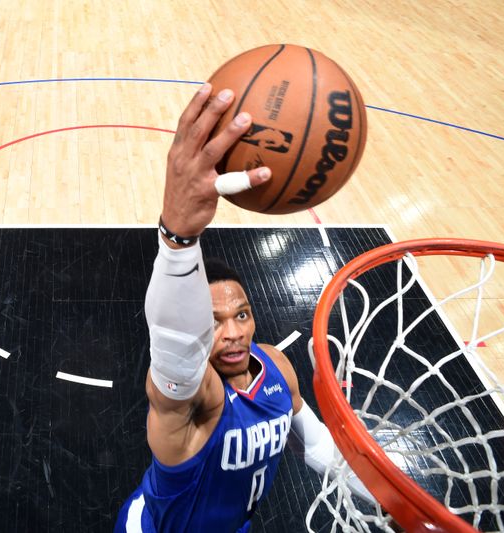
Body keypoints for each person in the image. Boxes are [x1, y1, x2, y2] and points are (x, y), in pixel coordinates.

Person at [115, 84, 372, 532]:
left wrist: (395, 498)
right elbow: (177, 345)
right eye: (212, 323)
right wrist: (178, 238)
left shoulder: (274, 365)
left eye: (241, 314)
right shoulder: (192, 398)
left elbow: (316, 447)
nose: (233, 332)